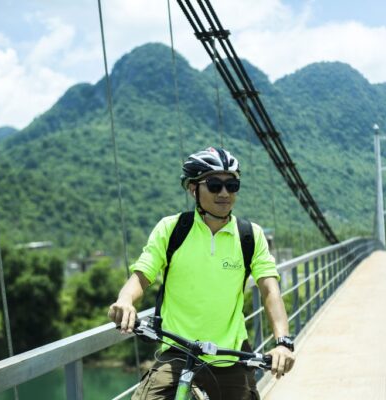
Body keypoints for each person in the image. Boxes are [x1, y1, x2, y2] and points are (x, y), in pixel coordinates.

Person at [108, 147, 295, 400]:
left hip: (230, 354)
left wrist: (283, 342)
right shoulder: (172, 229)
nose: (225, 193)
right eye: (215, 185)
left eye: (232, 185)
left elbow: (270, 290)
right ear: (193, 189)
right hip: (177, 353)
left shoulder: (250, 235)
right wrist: (125, 301)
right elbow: (141, 276)